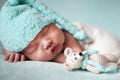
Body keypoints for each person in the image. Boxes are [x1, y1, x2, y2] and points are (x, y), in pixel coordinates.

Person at [0, 0, 120, 64]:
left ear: (54, 23)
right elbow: (10, 46)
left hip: (101, 42)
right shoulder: (23, 50)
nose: (46, 43)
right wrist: (11, 52)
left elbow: (78, 58)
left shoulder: (67, 35)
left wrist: (56, 57)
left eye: (46, 31)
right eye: (33, 48)